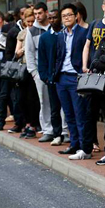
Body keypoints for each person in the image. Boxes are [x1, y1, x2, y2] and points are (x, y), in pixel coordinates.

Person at [82, 0, 105, 156]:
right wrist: (85, 66)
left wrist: (102, 60)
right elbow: (88, 46)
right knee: (91, 112)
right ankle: (91, 143)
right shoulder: (95, 24)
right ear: (103, 6)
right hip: (94, 74)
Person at [55, 3, 90, 159]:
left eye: (69, 15)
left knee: (80, 114)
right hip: (61, 77)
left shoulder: (83, 33)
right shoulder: (60, 35)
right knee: (68, 114)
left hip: (76, 77)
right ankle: (74, 144)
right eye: (63, 16)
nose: (66, 18)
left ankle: (84, 148)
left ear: (76, 16)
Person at [25, 2, 54, 142]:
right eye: (35, 14)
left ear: (46, 12)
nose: (37, 16)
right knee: (44, 102)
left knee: (57, 102)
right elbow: (29, 52)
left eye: (40, 13)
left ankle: (61, 130)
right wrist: (34, 73)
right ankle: (47, 129)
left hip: (55, 71)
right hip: (40, 73)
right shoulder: (31, 31)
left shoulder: (54, 27)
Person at [38, 10, 65, 146]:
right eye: (50, 18)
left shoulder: (65, 34)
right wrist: (45, 77)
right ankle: (57, 134)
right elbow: (41, 59)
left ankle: (68, 134)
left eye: (55, 17)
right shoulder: (45, 37)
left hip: (65, 76)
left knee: (68, 109)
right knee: (54, 108)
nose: (53, 20)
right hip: (51, 78)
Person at [16, 8, 40, 138]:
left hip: (35, 68)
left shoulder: (38, 32)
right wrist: (26, 47)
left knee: (33, 99)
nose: (30, 24)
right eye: (28, 22)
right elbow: (17, 52)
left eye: (32, 21)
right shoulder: (22, 34)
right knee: (22, 98)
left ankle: (33, 124)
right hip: (23, 68)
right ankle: (27, 122)